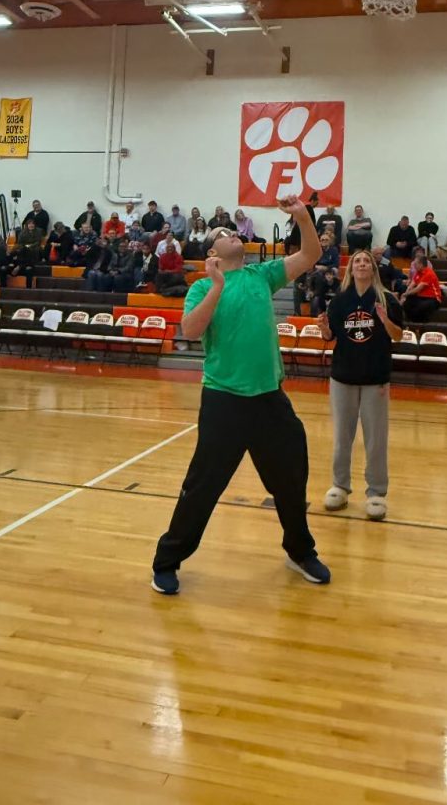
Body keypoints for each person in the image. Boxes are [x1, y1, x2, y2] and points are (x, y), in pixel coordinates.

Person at [151, 196, 331, 595]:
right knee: (203, 486)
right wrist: (216, 285)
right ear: (213, 252)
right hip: (223, 401)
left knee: (290, 477)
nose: (234, 233)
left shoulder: (262, 274)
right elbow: (191, 331)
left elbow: (311, 253)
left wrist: (303, 217)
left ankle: (300, 550)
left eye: (234, 230)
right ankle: (167, 561)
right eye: (224, 233)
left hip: (269, 398)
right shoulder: (201, 287)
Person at [318, 249, 404, 522]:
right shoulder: (340, 301)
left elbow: (398, 336)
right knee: (343, 437)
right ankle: (340, 486)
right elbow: (330, 336)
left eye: (367, 261)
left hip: (374, 378)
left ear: (373, 269)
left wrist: (384, 319)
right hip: (342, 377)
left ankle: (376, 493)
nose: (362, 264)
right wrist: (323, 328)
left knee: (376, 439)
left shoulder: (386, 299)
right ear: (351, 269)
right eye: (358, 261)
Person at [400, 254, 442, 323]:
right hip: (421, 297)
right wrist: (405, 295)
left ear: (421, 264)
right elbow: (411, 285)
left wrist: (405, 294)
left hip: (433, 298)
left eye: (415, 264)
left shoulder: (429, 273)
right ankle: (410, 323)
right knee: (407, 303)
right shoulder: (418, 273)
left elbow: (418, 289)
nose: (414, 266)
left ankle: (420, 324)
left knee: (421, 307)